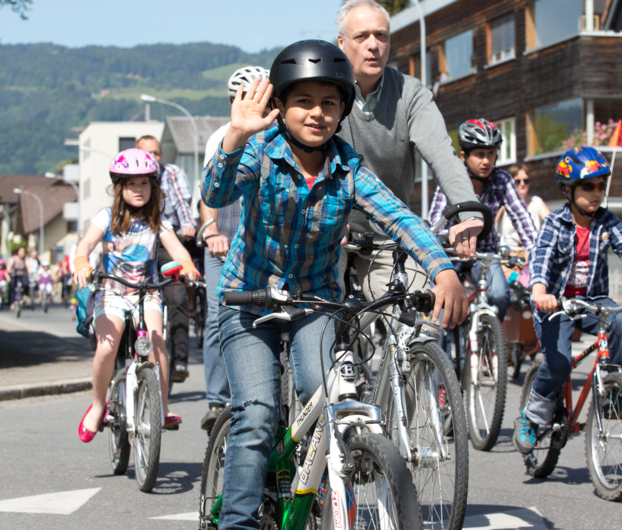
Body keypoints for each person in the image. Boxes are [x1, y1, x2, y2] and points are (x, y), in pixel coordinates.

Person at [200, 40, 468, 528]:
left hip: (316, 302)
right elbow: (215, 191)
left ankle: (319, 492)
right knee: (257, 415)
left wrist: (443, 269)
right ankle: (236, 522)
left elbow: (398, 217)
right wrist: (236, 134)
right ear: (279, 105)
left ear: (343, 109)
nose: (317, 113)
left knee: (327, 399)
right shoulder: (261, 150)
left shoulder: (348, 167)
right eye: (303, 101)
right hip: (247, 299)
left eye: (329, 103)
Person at [513, 146, 622, 455]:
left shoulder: (607, 222)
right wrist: (540, 292)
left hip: (593, 301)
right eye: (588, 186)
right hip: (556, 305)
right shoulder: (555, 223)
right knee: (558, 363)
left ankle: (610, 392)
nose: (597, 193)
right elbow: (540, 258)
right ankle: (531, 417)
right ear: (569, 189)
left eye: (601, 185)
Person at [336, 0, 486, 301]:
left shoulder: (411, 92)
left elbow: (442, 152)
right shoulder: (326, 90)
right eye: (362, 36)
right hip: (331, 228)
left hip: (388, 230)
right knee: (320, 319)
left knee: (420, 315)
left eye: (381, 36)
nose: (373, 45)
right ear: (341, 43)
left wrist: (468, 212)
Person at [73, 148, 200, 442]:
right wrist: (81, 262)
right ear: (120, 187)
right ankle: (96, 406)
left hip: (148, 294)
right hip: (111, 293)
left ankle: (163, 408)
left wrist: (189, 266)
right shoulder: (107, 217)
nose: (138, 189)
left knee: (157, 346)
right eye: (131, 183)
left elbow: (179, 251)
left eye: (144, 183)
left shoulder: (158, 221)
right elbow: (85, 245)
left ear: (153, 187)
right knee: (107, 347)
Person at [197, 65, 269, 432]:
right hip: (224, 244)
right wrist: (211, 231)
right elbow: (208, 191)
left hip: (262, 243)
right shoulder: (222, 138)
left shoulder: (277, 136)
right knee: (217, 316)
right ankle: (216, 398)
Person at [428, 119, 538, 321]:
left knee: (499, 295)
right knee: (441, 309)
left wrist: (534, 250)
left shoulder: (503, 180)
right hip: (452, 253)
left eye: (491, 154)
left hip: (485, 254)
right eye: (479, 154)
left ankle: (491, 342)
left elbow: (522, 217)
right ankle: (442, 350)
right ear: (464, 156)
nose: (486, 161)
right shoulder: (450, 178)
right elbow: (436, 220)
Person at [136, 135, 195, 383]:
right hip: (139, 244)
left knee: (178, 296)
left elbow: (183, 203)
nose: (154, 158)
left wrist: (188, 227)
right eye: (147, 153)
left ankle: (179, 360)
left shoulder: (172, 173)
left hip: (167, 240)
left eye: (157, 153)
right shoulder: (132, 179)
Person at [496, 162, 550, 250]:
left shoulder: (536, 201)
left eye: (526, 181)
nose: (522, 184)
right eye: (517, 181)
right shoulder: (504, 202)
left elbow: (551, 222)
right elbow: (491, 222)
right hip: (507, 255)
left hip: (530, 252)